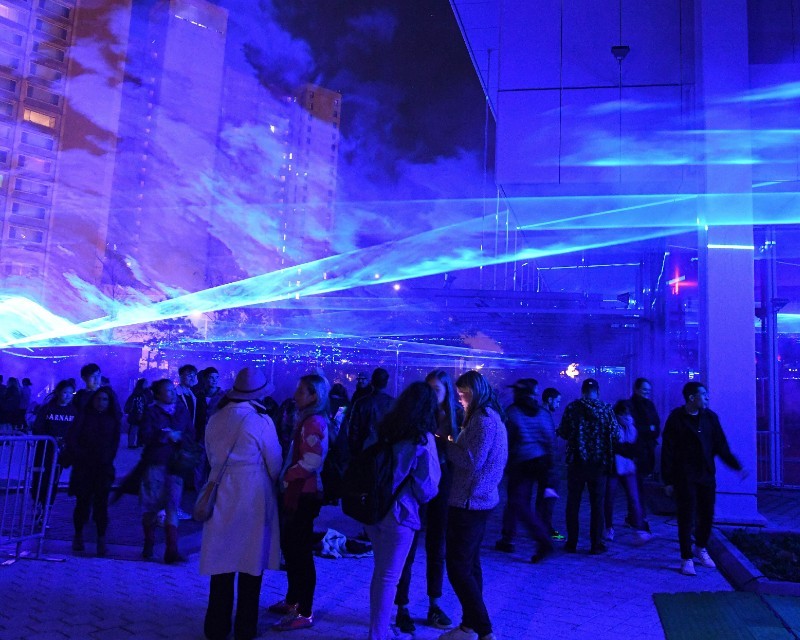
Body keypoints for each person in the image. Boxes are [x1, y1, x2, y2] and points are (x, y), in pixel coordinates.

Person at [201, 367, 283, 640]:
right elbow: (275, 463)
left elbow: (210, 455)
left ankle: (216, 627)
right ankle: (245, 629)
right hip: (252, 495)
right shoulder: (261, 421)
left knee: (221, 565)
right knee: (251, 564)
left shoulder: (215, 419)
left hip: (221, 490)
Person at [366, 381, 441, 640]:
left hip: (374, 508)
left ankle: (380, 628)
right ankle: (378, 634)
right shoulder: (422, 439)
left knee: (380, 573)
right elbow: (427, 487)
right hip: (401, 513)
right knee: (389, 578)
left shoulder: (385, 429)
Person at [440, 370, 507, 640]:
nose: (460, 399)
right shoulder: (489, 417)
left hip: (470, 502)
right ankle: (469, 626)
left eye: (464, 394)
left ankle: (484, 629)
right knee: (470, 564)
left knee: (457, 567)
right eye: (458, 394)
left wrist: (445, 443)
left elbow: (470, 460)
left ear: (476, 391)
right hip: (478, 500)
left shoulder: (483, 420)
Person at [394, 370, 461, 634]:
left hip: (443, 487)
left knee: (437, 547)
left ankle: (434, 602)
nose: (432, 394)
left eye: (437, 390)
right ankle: (402, 606)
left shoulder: (454, 419)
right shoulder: (417, 416)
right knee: (407, 546)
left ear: (446, 392)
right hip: (418, 486)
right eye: (429, 389)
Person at [662, 381, 746, 576]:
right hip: (684, 476)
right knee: (686, 516)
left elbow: (721, 446)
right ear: (692, 398)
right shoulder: (676, 418)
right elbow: (668, 450)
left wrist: (737, 467)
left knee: (707, 514)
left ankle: (700, 547)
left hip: (706, 474)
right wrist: (667, 480)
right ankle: (686, 558)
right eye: (704, 394)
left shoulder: (710, 418)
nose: (707, 397)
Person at [269, 374, 330, 631]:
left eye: (301, 391)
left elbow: (312, 462)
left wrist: (286, 477)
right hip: (299, 492)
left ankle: (304, 610)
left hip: (302, 493)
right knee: (293, 549)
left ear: (314, 395)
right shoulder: (308, 419)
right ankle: (294, 600)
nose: (296, 395)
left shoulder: (313, 422)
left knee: (300, 552)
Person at [495, 378, 555, 563]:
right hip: (542, 462)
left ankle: (542, 540)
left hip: (521, 464)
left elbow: (506, 441)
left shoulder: (512, 413)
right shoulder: (543, 413)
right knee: (534, 503)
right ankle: (512, 537)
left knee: (519, 503)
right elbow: (549, 438)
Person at [557, 378, 619, 554]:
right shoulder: (607, 409)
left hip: (577, 462)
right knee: (597, 504)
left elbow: (563, 432)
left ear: (582, 391)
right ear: (598, 392)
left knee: (573, 503)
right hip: (599, 464)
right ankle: (596, 544)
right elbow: (615, 434)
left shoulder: (572, 408)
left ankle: (572, 542)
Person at [139, 378, 195, 563]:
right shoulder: (151, 411)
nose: (172, 394)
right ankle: (149, 543)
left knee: (172, 505)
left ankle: (171, 549)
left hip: (176, 464)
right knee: (151, 506)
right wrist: (164, 435)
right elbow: (144, 435)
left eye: (173, 390)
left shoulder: (181, 410)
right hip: (155, 463)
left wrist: (180, 437)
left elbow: (191, 434)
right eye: (167, 391)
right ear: (158, 394)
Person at [66, 386, 121, 557]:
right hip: (84, 466)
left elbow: (114, 443)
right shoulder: (83, 417)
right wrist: (80, 455)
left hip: (103, 467)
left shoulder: (112, 420)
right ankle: (78, 535)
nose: (101, 402)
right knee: (82, 502)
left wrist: (107, 459)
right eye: (98, 399)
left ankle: (101, 538)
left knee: (101, 505)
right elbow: (73, 438)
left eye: (105, 399)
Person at [603, 400, 652, 544]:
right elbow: (613, 446)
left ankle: (639, 528)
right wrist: (626, 449)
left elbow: (636, 448)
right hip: (613, 467)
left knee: (634, 498)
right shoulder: (612, 427)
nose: (626, 416)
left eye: (628, 413)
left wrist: (624, 449)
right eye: (623, 413)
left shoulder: (633, 428)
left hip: (629, 467)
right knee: (609, 498)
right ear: (617, 413)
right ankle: (608, 526)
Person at [31, 379, 77, 527]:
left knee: (53, 483)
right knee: (39, 481)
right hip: (44, 451)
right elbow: (37, 428)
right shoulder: (47, 409)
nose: (68, 396)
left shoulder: (74, 411)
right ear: (57, 392)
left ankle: (45, 513)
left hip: (60, 455)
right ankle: (38, 504)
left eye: (71, 393)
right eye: (65, 392)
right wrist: (50, 438)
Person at [629, 377, 661, 528]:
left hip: (646, 451)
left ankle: (634, 515)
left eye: (649, 390)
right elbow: (635, 428)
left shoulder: (650, 405)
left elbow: (657, 426)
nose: (647, 393)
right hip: (636, 452)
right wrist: (649, 429)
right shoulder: (630, 406)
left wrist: (649, 430)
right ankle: (640, 518)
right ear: (636, 389)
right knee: (637, 484)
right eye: (644, 390)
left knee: (638, 484)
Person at [348, 368, 395, 455]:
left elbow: (353, 431)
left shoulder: (361, 403)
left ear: (371, 382)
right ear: (387, 383)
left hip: (365, 451)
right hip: (386, 451)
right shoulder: (393, 403)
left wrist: (355, 453)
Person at [539, 387, 563, 540]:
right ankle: (545, 527)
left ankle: (542, 525)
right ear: (550, 399)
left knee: (545, 495)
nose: (559, 405)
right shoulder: (544, 414)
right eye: (557, 401)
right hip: (547, 462)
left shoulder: (542, 413)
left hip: (543, 460)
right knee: (549, 494)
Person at [124, 378, 152, 448]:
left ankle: (138, 442)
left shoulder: (145, 392)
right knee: (134, 428)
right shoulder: (138, 394)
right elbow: (137, 404)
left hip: (142, 414)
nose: (147, 384)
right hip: (136, 414)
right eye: (145, 383)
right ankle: (132, 443)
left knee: (139, 428)